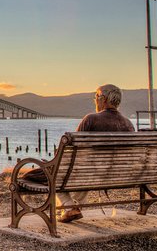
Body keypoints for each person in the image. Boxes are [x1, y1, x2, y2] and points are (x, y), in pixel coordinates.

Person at [57, 83, 135, 223]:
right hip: (118, 176)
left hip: (91, 174)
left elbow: (71, 152)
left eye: (96, 97)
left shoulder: (91, 119)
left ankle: (69, 207)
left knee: (56, 171)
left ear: (103, 99)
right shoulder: (129, 124)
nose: (95, 100)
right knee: (88, 169)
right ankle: (74, 207)